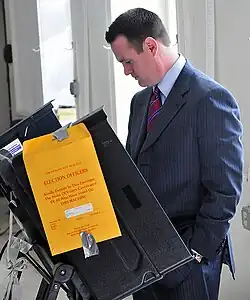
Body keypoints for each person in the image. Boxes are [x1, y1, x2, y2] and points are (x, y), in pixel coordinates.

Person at [105, 7, 243, 300]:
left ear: (151, 46)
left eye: (128, 61)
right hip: (145, 260)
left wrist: (194, 254)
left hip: (189, 261)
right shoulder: (140, 102)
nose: (126, 71)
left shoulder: (209, 98)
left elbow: (225, 190)